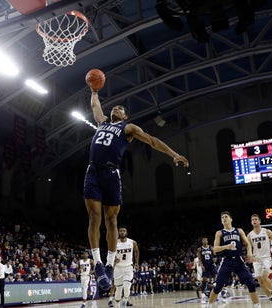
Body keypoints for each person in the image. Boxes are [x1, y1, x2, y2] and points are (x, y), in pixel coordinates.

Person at [84, 88, 189, 291]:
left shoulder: (128, 128)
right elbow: (95, 105)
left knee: (111, 220)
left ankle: (109, 265)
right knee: (93, 217)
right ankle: (98, 263)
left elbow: (151, 140)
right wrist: (94, 90)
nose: (117, 108)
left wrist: (173, 154)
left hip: (111, 174)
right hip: (93, 172)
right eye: (115, 106)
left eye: (121, 109)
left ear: (125, 116)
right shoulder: (102, 122)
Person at [206, 211, 260, 308]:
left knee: (251, 283)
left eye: (226, 217)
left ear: (231, 219)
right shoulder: (219, 233)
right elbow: (215, 249)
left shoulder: (239, 231)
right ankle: (209, 305)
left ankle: (257, 306)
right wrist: (226, 246)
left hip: (239, 261)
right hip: (227, 261)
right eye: (222, 218)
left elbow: (248, 244)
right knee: (218, 286)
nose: (224, 219)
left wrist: (249, 253)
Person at [247, 214, 272, 307]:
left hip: (266, 258)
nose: (254, 221)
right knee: (261, 281)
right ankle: (271, 298)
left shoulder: (267, 231)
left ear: (259, 221)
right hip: (256, 259)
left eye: (256, 219)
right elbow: (249, 247)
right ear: (251, 222)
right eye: (252, 219)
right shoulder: (250, 235)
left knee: (264, 276)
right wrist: (250, 255)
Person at [112, 226, 139, 308]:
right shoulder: (114, 243)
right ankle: (117, 305)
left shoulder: (132, 242)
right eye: (121, 231)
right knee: (118, 290)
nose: (122, 232)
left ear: (126, 233)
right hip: (118, 268)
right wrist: (114, 259)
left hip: (128, 267)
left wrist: (137, 263)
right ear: (119, 233)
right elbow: (110, 254)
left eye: (124, 231)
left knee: (127, 286)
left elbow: (137, 251)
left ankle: (124, 302)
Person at [197, 237, 216, 303]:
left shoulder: (211, 247)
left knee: (215, 276)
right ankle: (203, 295)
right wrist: (201, 266)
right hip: (205, 266)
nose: (204, 241)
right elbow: (199, 259)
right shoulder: (199, 249)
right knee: (204, 280)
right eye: (203, 240)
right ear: (202, 241)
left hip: (211, 265)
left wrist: (215, 259)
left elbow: (215, 255)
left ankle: (215, 291)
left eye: (205, 240)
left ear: (207, 241)